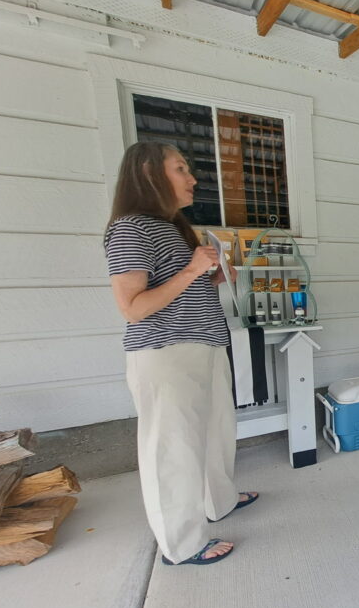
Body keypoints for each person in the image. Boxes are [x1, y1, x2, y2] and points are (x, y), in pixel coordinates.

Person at [104, 142, 257, 566]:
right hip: (165, 353)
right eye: (181, 168)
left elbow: (179, 291)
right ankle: (183, 543)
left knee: (215, 433)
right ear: (150, 172)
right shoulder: (130, 228)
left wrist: (215, 279)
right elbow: (133, 308)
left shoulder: (173, 227)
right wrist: (192, 268)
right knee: (172, 450)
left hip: (205, 345)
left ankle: (220, 501)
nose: (192, 178)